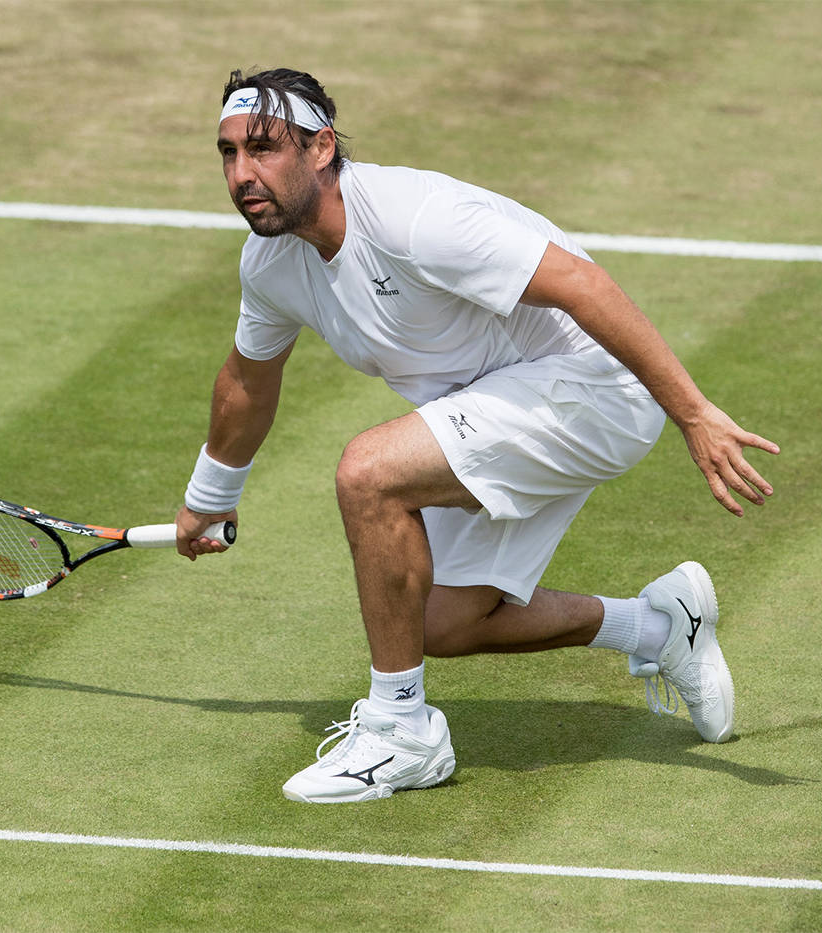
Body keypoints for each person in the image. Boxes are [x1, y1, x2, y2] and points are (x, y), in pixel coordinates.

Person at [175, 67, 779, 804]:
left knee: (369, 472)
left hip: (593, 388)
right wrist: (212, 493)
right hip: (500, 399)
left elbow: (583, 284)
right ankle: (660, 628)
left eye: (263, 148)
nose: (242, 174)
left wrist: (692, 412)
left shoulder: (412, 217)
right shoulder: (272, 263)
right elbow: (248, 379)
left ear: (322, 146)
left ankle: (402, 734)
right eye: (228, 153)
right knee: (438, 620)